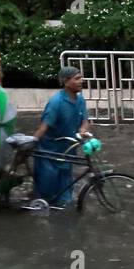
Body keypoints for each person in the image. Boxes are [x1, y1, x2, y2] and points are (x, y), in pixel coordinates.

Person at [31, 66, 89, 207]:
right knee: (46, 198)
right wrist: (30, 143)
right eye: (77, 78)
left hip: (67, 153)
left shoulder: (80, 100)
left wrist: (83, 130)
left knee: (65, 198)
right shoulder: (56, 102)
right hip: (49, 154)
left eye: (81, 77)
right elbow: (44, 127)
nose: (81, 81)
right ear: (66, 82)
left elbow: (85, 121)